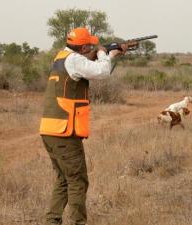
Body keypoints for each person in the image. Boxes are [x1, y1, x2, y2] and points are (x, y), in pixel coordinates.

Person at [39, 27, 128, 225]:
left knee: (64, 179)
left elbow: (94, 71)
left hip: (51, 130)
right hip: (65, 132)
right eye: (90, 44)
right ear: (85, 46)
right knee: (78, 181)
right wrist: (107, 53)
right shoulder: (74, 60)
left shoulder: (62, 57)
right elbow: (103, 72)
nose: (93, 46)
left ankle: (52, 221)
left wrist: (108, 55)